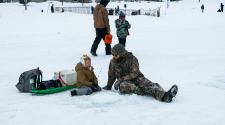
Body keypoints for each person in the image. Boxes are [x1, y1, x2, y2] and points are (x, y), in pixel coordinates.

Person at [103, 44, 178, 103]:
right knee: (123, 86)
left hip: (136, 77)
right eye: (113, 55)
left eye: (116, 55)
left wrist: (121, 79)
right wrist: (109, 86)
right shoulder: (113, 62)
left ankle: (165, 96)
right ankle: (140, 90)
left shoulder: (132, 59)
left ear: (122, 54)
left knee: (148, 85)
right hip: (124, 82)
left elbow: (134, 73)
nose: (114, 57)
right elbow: (111, 75)